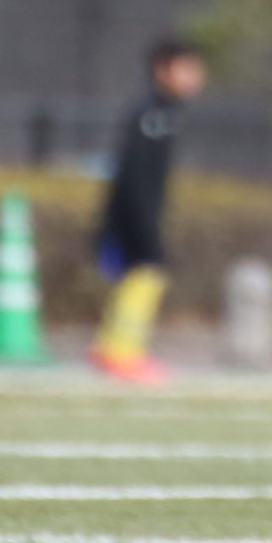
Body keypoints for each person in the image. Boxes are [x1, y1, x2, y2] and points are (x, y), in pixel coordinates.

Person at [91, 39, 204, 383]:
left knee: (140, 278)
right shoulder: (151, 113)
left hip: (143, 213)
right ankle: (121, 352)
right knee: (146, 275)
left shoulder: (167, 112)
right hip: (134, 216)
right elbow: (133, 173)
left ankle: (113, 347)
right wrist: (141, 221)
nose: (195, 77)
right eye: (187, 68)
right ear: (163, 69)